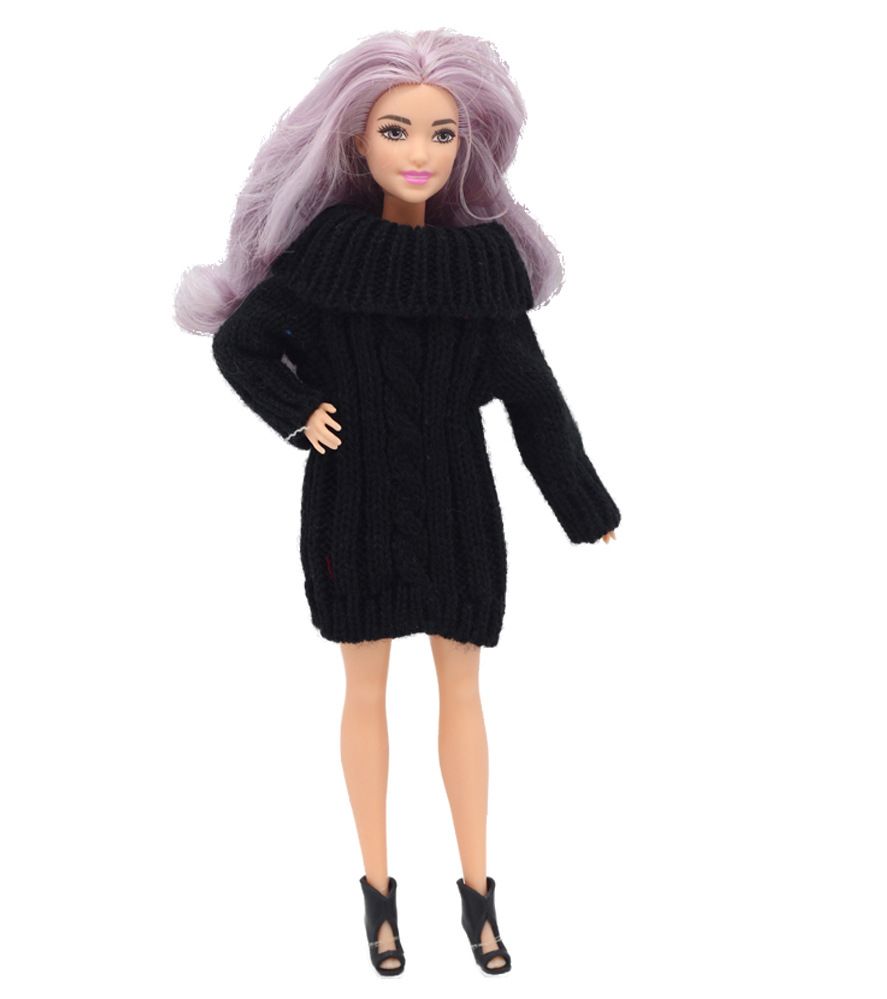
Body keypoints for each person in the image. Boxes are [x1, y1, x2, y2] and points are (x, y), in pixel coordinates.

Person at [174, 28, 621, 977]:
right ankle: (378, 894)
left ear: (469, 145)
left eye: (442, 134)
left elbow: (533, 398)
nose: (420, 153)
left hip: (460, 504)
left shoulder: (482, 264)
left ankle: (477, 893)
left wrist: (582, 502)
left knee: (462, 693)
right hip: (354, 501)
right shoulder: (325, 254)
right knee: (365, 692)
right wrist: (298, 412)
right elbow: (239, 344)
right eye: (396, 130)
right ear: (355, 141)